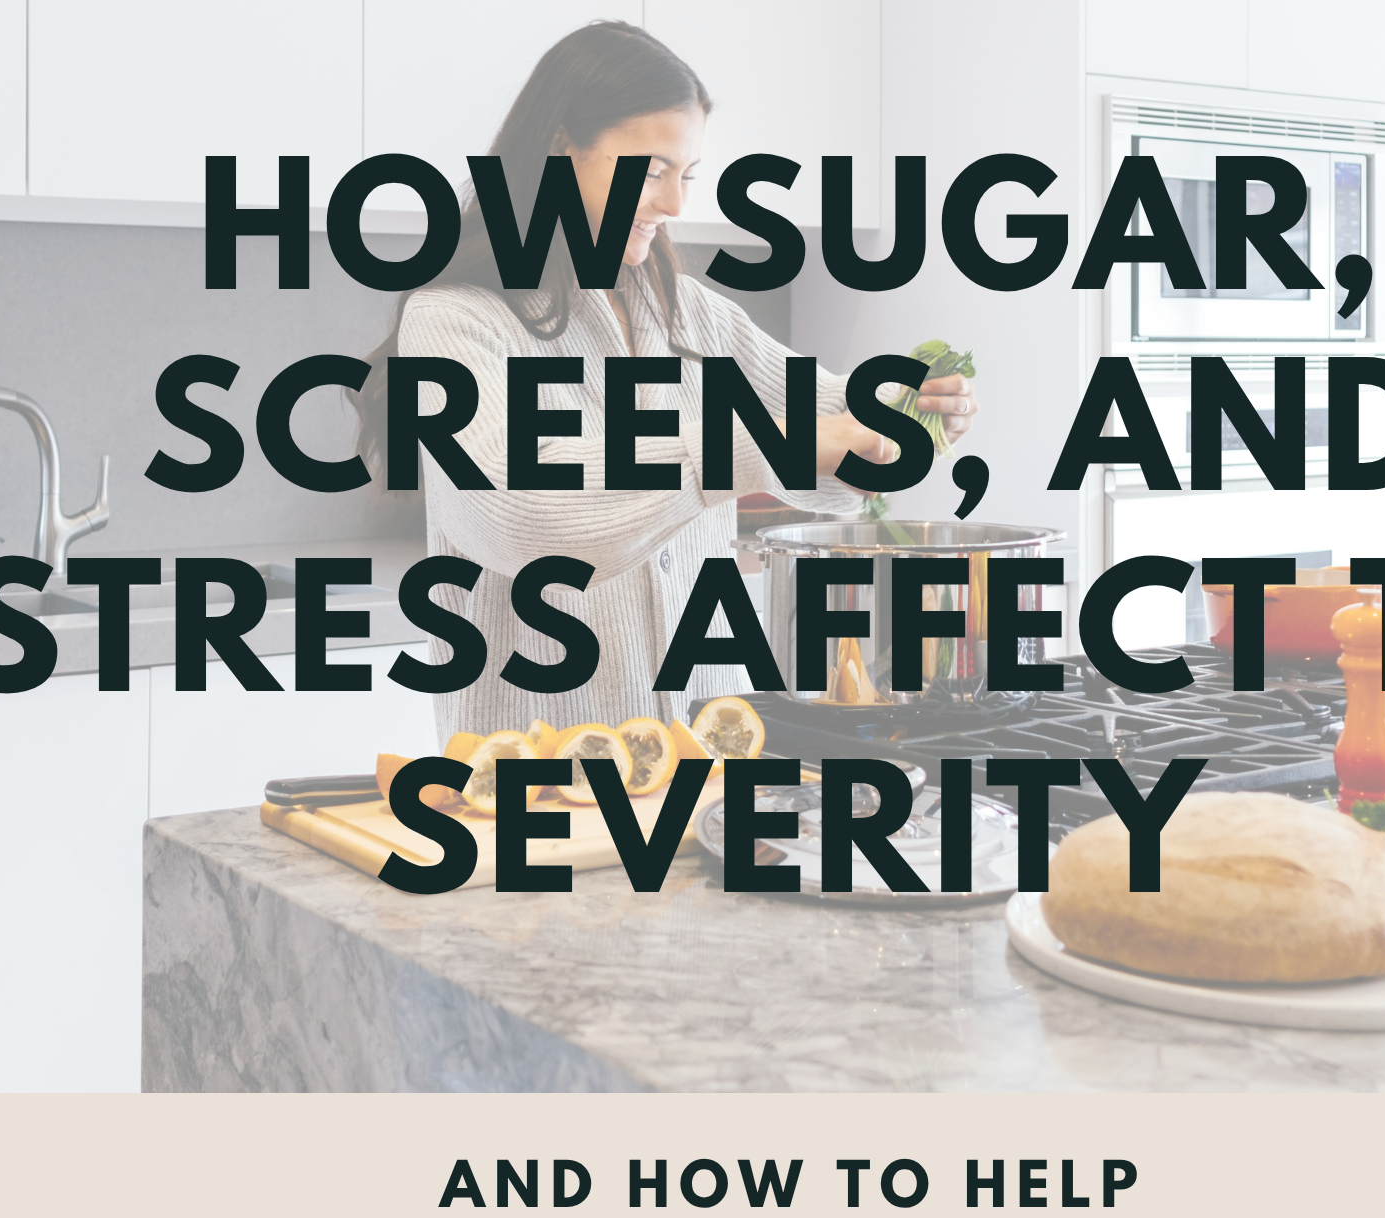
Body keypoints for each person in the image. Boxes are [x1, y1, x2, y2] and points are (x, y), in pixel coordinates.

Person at [353, 20, 977, 743]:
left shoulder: (688, 312)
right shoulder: (456, 323)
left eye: (687, 175)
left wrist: (911, 417)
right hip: (540, 784)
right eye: (651, 171)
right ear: (561, 151)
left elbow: (830, 438)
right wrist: (761, 445)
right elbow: (524, 515)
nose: (677, 204)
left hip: (711, 763)